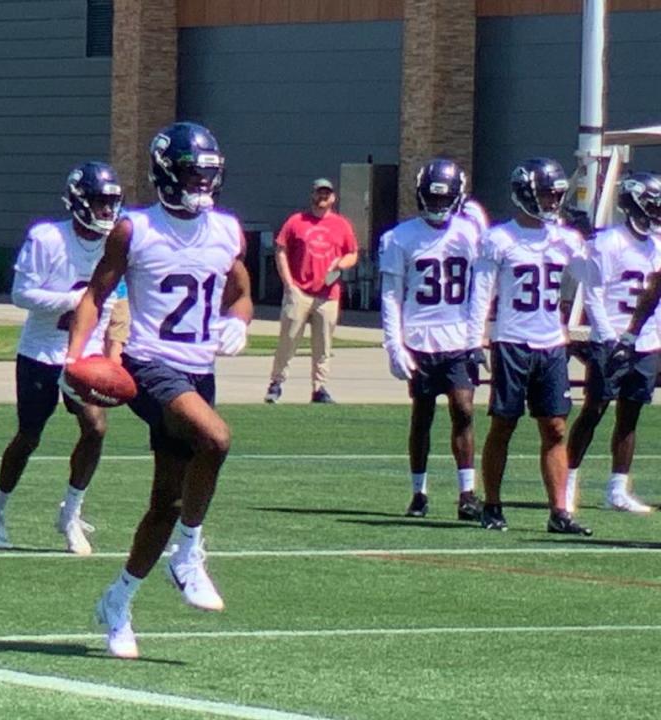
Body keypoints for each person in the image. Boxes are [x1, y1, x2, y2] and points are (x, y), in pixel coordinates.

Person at [64, 122, 252, 659]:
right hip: (148, 363)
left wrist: (239, 320)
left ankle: (117, 602)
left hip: (199, 369)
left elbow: (239, 291)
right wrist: (76, 357)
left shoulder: (226, 230)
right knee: (216, 440)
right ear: (168, 174)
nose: (202, 185)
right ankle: (189, 553)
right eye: (193, 173)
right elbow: (95, 294)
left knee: (166, 502)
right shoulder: (134, 229)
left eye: (208, 175)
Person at [0, 161, 122, 554]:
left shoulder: (117, 243)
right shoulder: (47, 238)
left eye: (112, 202)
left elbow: (119, 303)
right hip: (42, 352)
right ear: (79, 201)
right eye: (99, 202)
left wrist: (115, 350)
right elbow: (21, 294)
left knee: (95, 428)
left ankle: (71, 511)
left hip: (87, 355)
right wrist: (78, 300)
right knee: (29, 436)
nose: (107, 211)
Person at [467, 157, 592, 535]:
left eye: (555, 195)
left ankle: (559, 511)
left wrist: (590, 241)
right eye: (545, 194)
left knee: (555, 428)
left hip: (552, 342)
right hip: (512, 341)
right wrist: (474, 343)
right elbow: (481, 296)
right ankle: (491, 503)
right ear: (524, 194)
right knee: (503, 424)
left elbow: (593, 279)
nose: (552, 202)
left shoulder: (564, 239)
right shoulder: (499, 239)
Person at [379, 158, 486, 521]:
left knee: (464, 409)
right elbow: (391, 295)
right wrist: (393, 344)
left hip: (457, 338)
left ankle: (467, 493)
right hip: (419, 338)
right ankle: (419, 493)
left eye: (445, 199)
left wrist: (476, 338)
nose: (438, 206)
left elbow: (481, 290)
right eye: (433, 199)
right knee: (422, 416)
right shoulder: (399, 237)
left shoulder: (470, 234)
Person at [568, 172, 661, 514]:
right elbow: (593, 295)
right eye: (653, 204)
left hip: (646, 342)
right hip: (611, 339)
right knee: (593, 410)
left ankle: (617, 489)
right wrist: (610, 339)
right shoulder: (609, 243)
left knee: (630, 416)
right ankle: (567, 482)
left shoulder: (656, 244)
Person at [264, 177, 358, 404]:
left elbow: (352, 253)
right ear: (312, 195)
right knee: (288, 340)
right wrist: (288, 283)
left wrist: (341, 264)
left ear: (333, 198)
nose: (322, 198)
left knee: (323, 345)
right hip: (300, 292)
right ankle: (276, 383)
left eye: (326, 194)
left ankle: (319, 388)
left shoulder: (341, 224)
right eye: (319, 193)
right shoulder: (297, 221)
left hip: (328, 295)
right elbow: (281, 249)